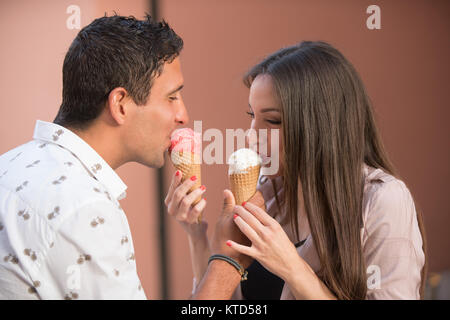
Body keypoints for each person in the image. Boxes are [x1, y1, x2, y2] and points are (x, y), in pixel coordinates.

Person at [0, 14, 243, 300]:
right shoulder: (85, 208)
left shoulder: (9, 164)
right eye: (172, 97)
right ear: (120, 104)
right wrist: (229, 261)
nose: (183, 116)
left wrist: (195, 234)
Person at [166, 41, 427, 300]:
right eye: (252, 117)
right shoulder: (266, 195)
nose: (251, 137)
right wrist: (196, 235)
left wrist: (293, 268)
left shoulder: (382, 201)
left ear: (322, 124)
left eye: (272, 121)